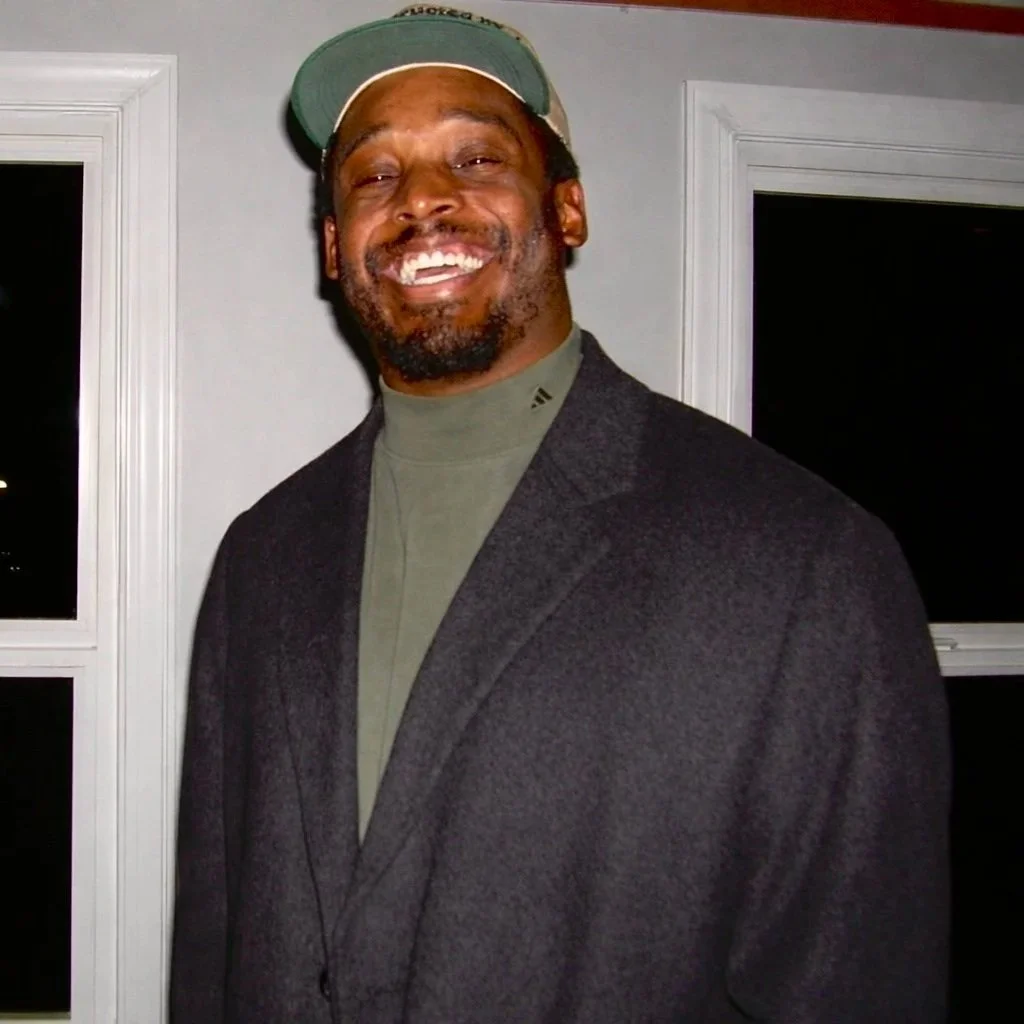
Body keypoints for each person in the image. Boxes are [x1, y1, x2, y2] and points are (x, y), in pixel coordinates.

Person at [171, 7, 950, 1022]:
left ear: (568, 210)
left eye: (478, 157)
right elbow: (216, 949)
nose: (422, 202)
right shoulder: (261, 558)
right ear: (333, 244)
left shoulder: (806, 566)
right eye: (373, 175)